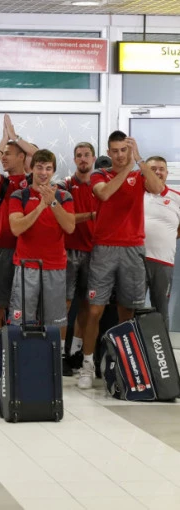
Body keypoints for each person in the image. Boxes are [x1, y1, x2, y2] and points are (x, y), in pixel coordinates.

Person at [79, 131, 165, 390]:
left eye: (123, 150)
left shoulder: (139, 174)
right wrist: (127, 168)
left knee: (127, 311)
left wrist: (139, 161)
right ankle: (87, 365)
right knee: (95, 310)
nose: (119, 155)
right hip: (104, 249)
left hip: (132, 248)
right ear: (109, 152)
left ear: (129, 151)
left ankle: (121, 364)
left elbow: (158, 189)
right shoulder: (100, 174)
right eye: (115, 151)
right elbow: (104, 194)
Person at [7, 150, 75, 331]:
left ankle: (57, 350)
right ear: (32, 169)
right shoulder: (19, 195)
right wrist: (40, 207)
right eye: (39, 167)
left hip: (55, 266)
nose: (43, 172)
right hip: (26, 266)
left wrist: (52, 202)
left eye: (48, 168)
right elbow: (16, 228)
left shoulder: (64, 196)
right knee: (21, 323)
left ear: (53, 171)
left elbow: (70, 227)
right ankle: (20, 350)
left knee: (55, 325)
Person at [0, 115, 32, 328]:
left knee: (24, 307)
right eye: (2, 154)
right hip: (3, 249)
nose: (3, 158)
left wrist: (15, 137)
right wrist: (4, 140)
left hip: (28, 250)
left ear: (21, 157)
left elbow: (39, 155)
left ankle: (16, 344)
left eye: (8, 154)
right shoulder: (2, 183)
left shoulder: (32, 181)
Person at [57, 143, 99, 373]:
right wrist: (91, 215)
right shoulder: (65, 185)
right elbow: (64, 217)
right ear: (74, 159)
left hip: (94, 252)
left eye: (86, 155)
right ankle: (60, 354)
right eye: (79, 155)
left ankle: (76, 352)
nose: (83, 159)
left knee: (86, 305)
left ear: (93, 158)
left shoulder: (100, 186)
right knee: (64, 304)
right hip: (69, 250)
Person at [143, 156, 180, 330]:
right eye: (152, 169)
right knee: (130, 309)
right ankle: (134, 346)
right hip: (135, 261)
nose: (157, 172)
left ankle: (162, 347)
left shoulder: (177, 197)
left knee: (161, 310)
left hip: (164, 263)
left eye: (161, 169)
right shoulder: (136, 194)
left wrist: (167, 236)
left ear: (167, 173)